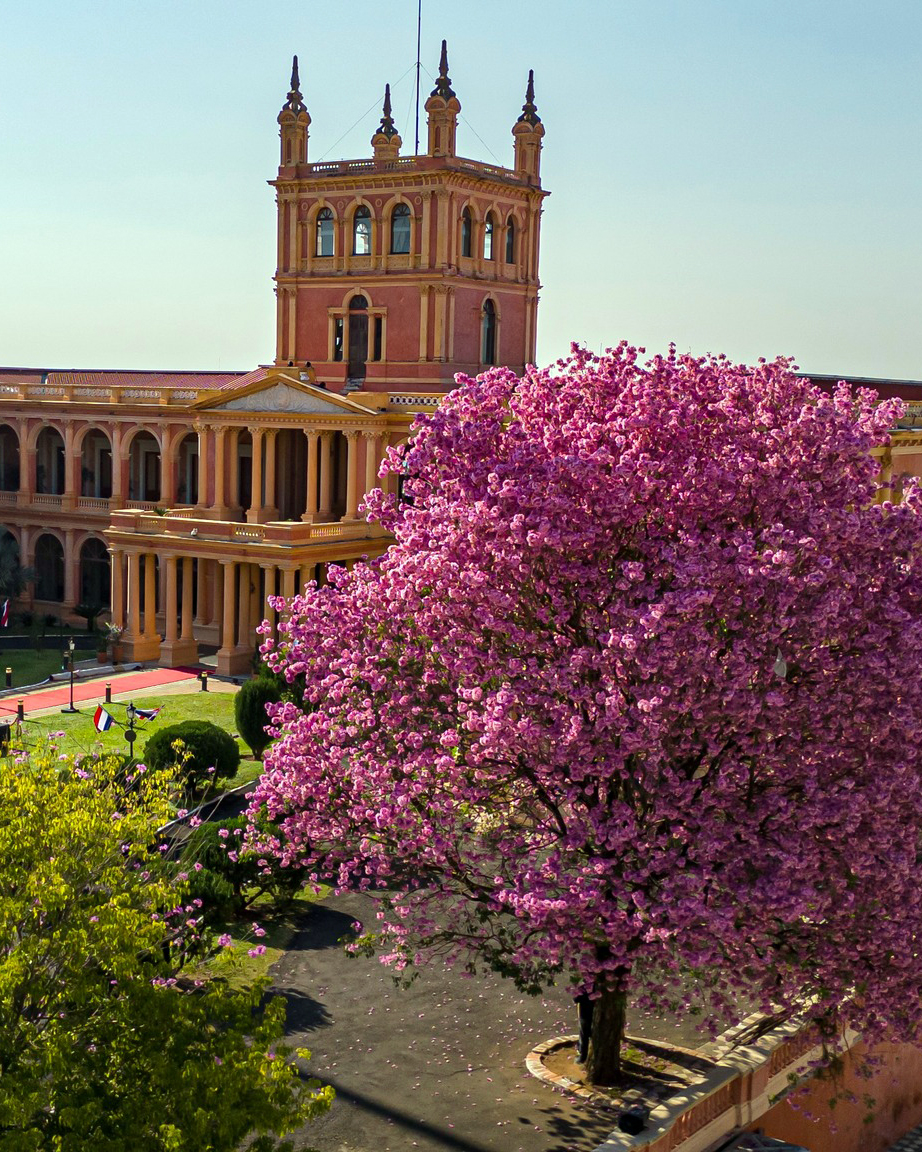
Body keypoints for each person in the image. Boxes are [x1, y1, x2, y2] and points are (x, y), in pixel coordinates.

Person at [575, 992, 594, 1064]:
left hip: (585, 1013)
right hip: (598, 1014)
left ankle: (582, 1057)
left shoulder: (585, 986)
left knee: (584, 1035)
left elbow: (576, 999)